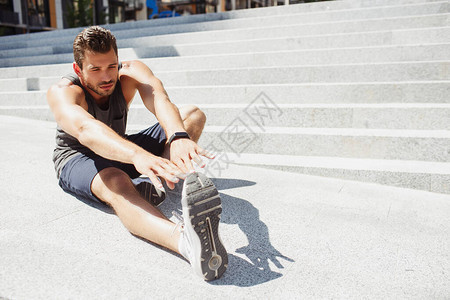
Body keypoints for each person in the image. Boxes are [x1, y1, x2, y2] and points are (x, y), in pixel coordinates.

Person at [47, 25, 228, 281]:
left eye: (111, 66)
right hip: (77, 158)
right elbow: (86, 129)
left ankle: (154, 181)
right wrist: (137, 156)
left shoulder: (130, 73)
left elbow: (161, 99)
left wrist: (177, 136)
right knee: (116, 180)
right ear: (79, 69)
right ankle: (186, 242)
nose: (106, 76)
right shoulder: (64, 91)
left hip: (119, 147)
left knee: (191, 114)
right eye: (95, 69)